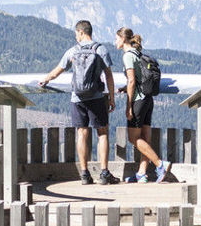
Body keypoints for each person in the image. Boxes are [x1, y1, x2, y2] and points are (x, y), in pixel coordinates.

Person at [36, 20, 122, 184]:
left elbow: (57, 71)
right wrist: (111, 97)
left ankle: (84, 174)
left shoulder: (72, 52)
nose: (76, 36)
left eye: (76, 33)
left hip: (77, 98)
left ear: (81, 32)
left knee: (82, 133)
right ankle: (104, 173)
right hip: (96, 97)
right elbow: (109, 75)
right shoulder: (100, 49)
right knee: (102, 133)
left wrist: (45, 80)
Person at [116, 27, 174, 182]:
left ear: (123, 39)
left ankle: (160, 164)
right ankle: (142, 174)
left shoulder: (128, 56)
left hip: (138, 101)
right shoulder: (138, 53)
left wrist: (128, 106)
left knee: (133, 138)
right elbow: (138, 79)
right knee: (145, 139)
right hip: (148, 99)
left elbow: (132, 81)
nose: (115, 41)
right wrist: (125, 87)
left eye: (116, 38)